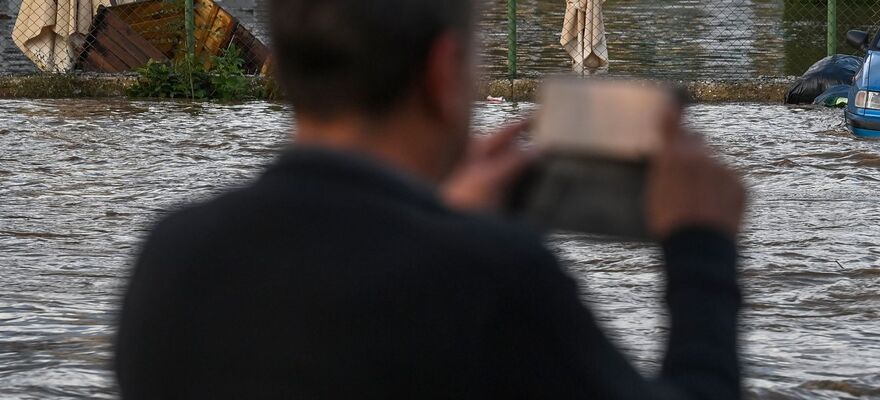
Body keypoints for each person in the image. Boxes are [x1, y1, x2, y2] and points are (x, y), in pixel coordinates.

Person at [113, 0, 747, 399]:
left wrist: (442, 216)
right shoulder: (493, 278)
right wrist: (701, 247)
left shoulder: (170, 256)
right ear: (444, 74)